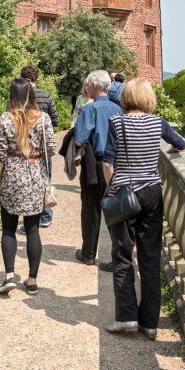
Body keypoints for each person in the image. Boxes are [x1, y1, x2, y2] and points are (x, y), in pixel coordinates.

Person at [102, 78, 185, 340]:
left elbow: (107, 163)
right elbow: (180, 144)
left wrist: (113, 187)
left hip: (125, 191)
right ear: (148, 98)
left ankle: (126, 317)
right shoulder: (158, 122)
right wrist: (171, 148)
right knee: (149, 256)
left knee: (123, 254)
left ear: (126, 97)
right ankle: (150, 323)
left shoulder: (117, 122)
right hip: (151, 192)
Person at [0, 78, 56, 296]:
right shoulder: (43, 118)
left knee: (8, 227)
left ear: (12, 95)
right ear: (31, 94)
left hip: (11, 175)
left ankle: (9, 276)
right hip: (35, 174)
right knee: (33, 229)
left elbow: (0, 155)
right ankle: (32, 280)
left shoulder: (4, 119)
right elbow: (52, 149)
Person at [73, 69, 123, 269]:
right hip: (116, 165)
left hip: (94, 164)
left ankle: (89, 254)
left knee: (91, 209)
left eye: (87, 85)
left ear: (93, 86)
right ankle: (119, 257)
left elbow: (79, 139)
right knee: (115, 211)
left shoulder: (89, 109)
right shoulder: (118, 109)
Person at [20, 64, 60, 228]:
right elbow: (56, 120)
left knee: (25, 183)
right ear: (38, 79)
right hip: (43, 149)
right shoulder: (46, 96)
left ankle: (29, 218)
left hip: (22, 148)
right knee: (45, 180)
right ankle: (46, 215)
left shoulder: (17, 99)